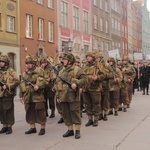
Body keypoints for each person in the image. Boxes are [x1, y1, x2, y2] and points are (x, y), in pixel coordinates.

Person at [56, 52, 87, 139]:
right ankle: (70, 130)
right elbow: (58, 84)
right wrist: (58, 96)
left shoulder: (77, 69)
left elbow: (85, 79)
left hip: (73, 96)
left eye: (65, 60)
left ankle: (77, 131)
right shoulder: (62, 71)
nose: (63, 61)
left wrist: (76, 83)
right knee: (66, 113)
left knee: (75, 113)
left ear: (69, 61)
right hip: (64, 96)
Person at [20, 54, 48, 135]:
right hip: (28, 95)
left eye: (30, 63)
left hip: (38, 95)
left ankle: (42, 128)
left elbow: (46, 81)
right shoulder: (25, 73)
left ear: (34, 64)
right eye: (27, 64)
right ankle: (32, 127)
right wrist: (21, 95)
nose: (28, 65)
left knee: (40, 111)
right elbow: (22, 85)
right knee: (29, 111)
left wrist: (38, 86)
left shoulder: (40, 71)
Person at [83, 51, 105, 127]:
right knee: (87, 104)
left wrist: (97, 78)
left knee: (96, 104)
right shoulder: (84, 66)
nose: (88, 58)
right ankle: (90, 119)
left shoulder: (98, 65)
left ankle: (96, 119)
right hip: (86, 88)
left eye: (89, 56)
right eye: (87, 56)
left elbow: (103, 75)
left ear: (93, 58)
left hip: (95, 88)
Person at [0, 54, 19, 134]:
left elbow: (17, 81)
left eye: (2, 62)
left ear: (6, 63)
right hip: (0, 94)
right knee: (1, 110)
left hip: (8, 94)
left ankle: (9, 126)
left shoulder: (11, 71)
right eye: (0, 62)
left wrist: (8, 86)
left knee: (8, 110)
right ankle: (4, 126)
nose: (0, 63)